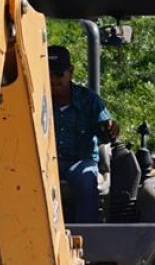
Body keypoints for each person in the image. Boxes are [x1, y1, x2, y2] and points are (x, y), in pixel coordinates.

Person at [48, 45, 119, 224]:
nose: (53, 79)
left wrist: (110, 128)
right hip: (47, 161)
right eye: (48, 73)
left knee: (86, 177)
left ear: (70, 72)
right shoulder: (36, 99)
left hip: (80, 161)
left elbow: (106, 132)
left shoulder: (89, 100)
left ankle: (87, 234)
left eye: (58, 73)